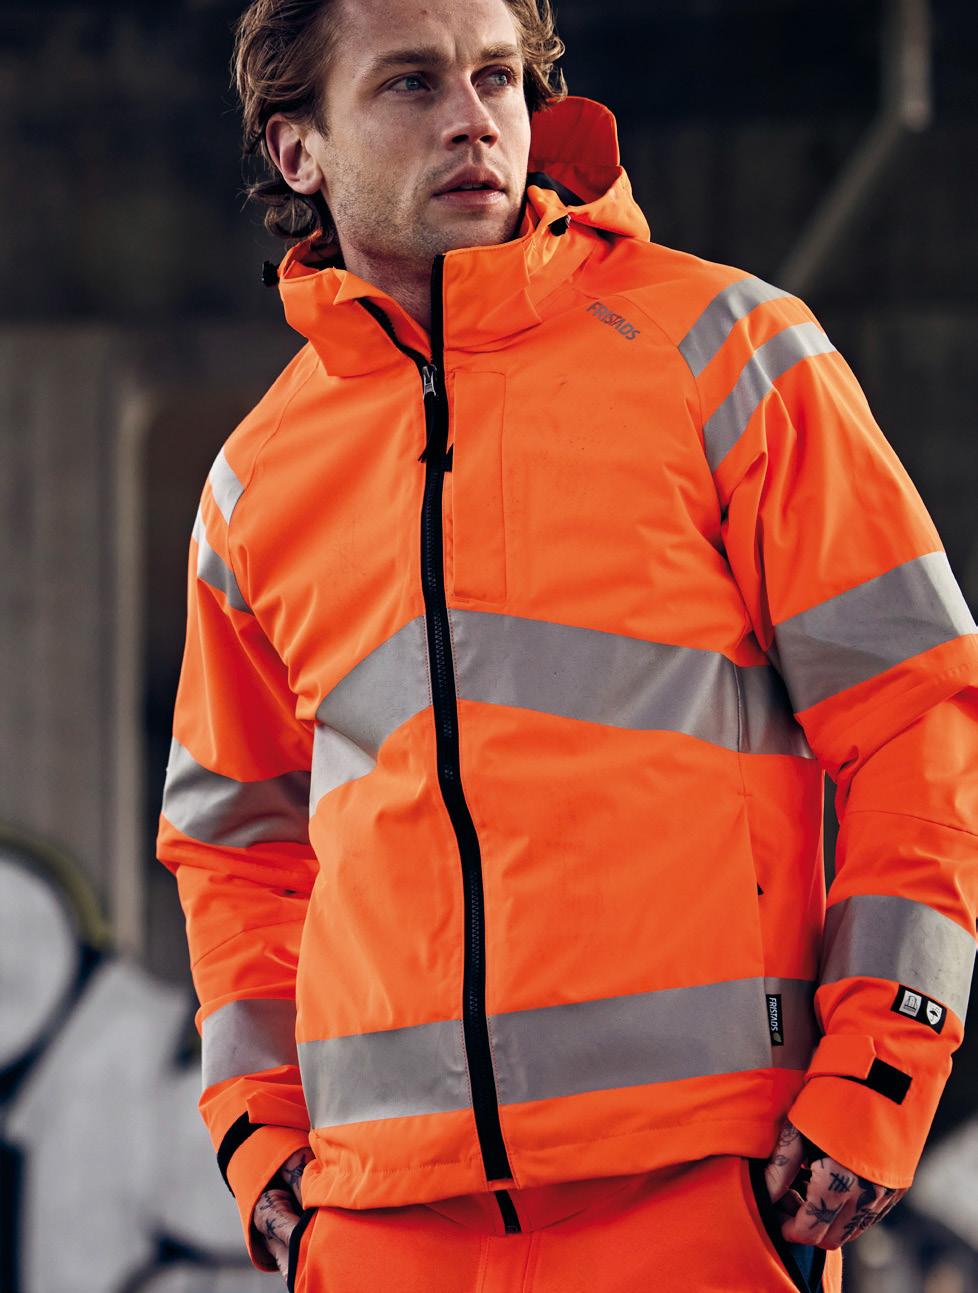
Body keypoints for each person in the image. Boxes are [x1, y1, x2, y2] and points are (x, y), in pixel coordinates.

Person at [156, 0, 978, 1289]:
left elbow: (917, 715)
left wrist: (882, 1062)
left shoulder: (729, 352)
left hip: (705, 1201)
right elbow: (235, 847)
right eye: (411, 83)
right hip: (382, 1229)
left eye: (496, 77)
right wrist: (262, 1138)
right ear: (296, 147)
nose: (473, 120)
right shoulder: (254, 483)